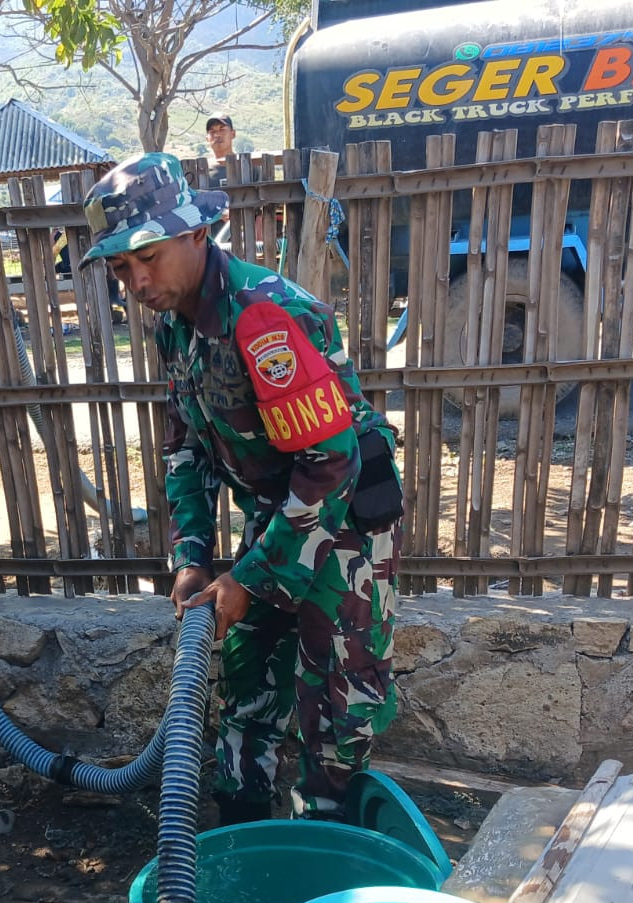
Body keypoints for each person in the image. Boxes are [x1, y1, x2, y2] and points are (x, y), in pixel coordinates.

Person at [80, 153, 404, 826]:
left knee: (339, 706)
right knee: (248, 680)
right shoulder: (178, 324)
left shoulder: (263, 319)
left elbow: (328, 461)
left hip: (342, 523)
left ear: (198, 233)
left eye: (149, 256)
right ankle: (241, 836)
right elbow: (187, 448)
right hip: (279, 511)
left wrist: (250, 577)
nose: (137, 280)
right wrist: (193, 555)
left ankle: (324, 860)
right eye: (120, 267)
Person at [204, 114, 236, 187]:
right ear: (207, 138)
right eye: (212, 131)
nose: (217, 135)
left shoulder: (249, 167)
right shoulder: (201, 171)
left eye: (222, 130)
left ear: (233, 134)